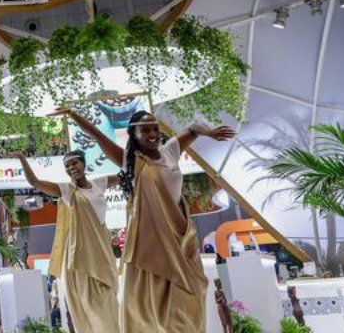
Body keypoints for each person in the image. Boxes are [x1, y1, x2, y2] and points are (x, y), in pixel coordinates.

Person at [53, 107, 234, 333]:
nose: (152, 134)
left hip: (181, 236)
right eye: (145, 130)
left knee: (194, 293)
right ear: (134, 136)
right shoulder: (131, 161)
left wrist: (210, 132)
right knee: (158, 305)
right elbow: (96, 135)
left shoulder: (170, 151)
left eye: (155, 128)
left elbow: (193, 129)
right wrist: (73, 115)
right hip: (154, 242)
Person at [13, 149, 118, 333]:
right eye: (67, 166)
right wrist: (22, 159)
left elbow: (126, 176)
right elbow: (35, 182)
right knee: (90, 304)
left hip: (101, 250)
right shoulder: (67, 190)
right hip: (80, 255)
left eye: (75, 163)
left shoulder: (99, 183)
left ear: (84, 164)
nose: (71, 168)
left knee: (109, 302)